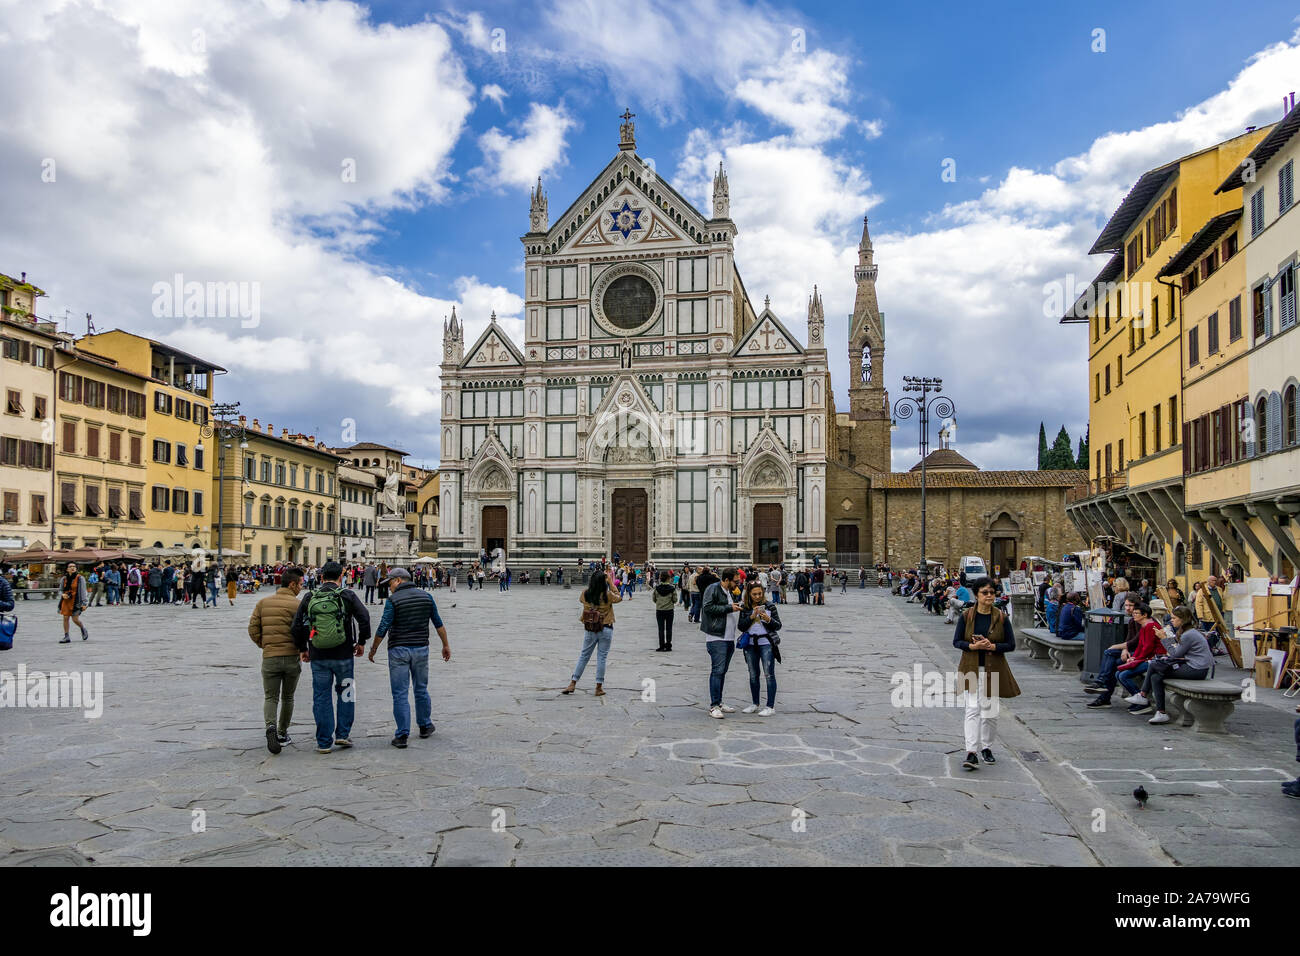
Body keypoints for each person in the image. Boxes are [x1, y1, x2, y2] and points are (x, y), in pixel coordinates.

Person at [292, 561, 371, 754]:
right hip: (344, 655)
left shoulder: (310, 596)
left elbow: (297, 626)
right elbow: (364, 617)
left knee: (321, 697)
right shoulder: (347, 595)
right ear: (341, 576)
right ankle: (343, 734)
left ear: (321, 577)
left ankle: (324, 741)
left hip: (318, 655)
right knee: (346, 693)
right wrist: (361, 642)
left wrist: (303, 648)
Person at [369, 568, 450, 748]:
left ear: (398, 580)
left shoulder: (393, 600)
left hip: (398, 650)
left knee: (400, 693)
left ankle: (402, 735)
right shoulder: (426, 597)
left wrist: (373, 649)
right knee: (421, 689)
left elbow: (383, 627)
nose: (389, 588)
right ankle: (425, 725)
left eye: (390, 583)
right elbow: (438, 623)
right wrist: (445, 645)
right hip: (421, 649)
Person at [952, 577, 1019, 770]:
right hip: (971, 668)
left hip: (994, 669)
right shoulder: (967, 616)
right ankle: (971, 752)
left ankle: (987, 747)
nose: (989, 595)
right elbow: (957, 642)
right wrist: (973, 646)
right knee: (972, 709)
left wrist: (993, 646)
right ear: (977, 595)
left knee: (990, 713)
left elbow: (1011, 644)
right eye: (985, 592)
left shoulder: (1001, 617)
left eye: (992, 592)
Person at [247, 566, 305, 754]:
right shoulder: (298, 605)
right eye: (300, 585)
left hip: (270, 657)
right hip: (291, 657)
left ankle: (270, 727)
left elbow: (253, 629)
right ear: (292, 584)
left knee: (270, 697)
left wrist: (264, 644)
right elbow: (304, 630)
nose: (301, 589)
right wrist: (301, 648)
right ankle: (282, 733)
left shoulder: (263, 603)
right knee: (288, 697)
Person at [1125, 605, 1213, 723]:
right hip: (1192, 666)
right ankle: (1160, 712)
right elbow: (1177, 649)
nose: (1171, 620)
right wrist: (1166, 638)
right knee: (1156, 677)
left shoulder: (1188, 634)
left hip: (1196, 669)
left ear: (1182, 619)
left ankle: (1143, 694)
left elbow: (1174, 654)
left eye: (1174, 618)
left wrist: (1163, 638)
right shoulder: (1187, 632)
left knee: (1154, 664)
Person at [564, 571, 621, 696]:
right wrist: (611, 582)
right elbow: (619, 597)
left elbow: (581, 600)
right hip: (606, 628)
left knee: (584, 656)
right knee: (602, 658)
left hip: (590, 628)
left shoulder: (585, 593)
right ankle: (598, 687)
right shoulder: (608, 595)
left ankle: (572, 683)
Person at [700, 568, 741, 719]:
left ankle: (720, 702)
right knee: (717, 671)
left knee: (722, 671)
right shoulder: (713, 588)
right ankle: (714, 706)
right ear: (727, 579)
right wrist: (730, 607)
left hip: (728, 637)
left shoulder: (727, 591)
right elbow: (708, 607)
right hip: (716, 637)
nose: (738, 583)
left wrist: (733, 606)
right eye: (735, 581)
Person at [738, 581, 782, 716]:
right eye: (754, 594)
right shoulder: (745, 607)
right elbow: (741, 626)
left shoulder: (770, 606)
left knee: (769, 674)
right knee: (753, 674)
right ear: (749, 595)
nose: (757, 596)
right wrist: (751, 616)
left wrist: (768, 619)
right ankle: (755, 703)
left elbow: (778, 625)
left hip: (766, 643)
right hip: (750, 644)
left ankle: (770, 706)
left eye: (759, 594)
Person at [1114, 602, 1164, 710]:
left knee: (1123, 675)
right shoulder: (1144, 626)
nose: (1134, 615)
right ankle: (1138, 698)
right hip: (1144, 658)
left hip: (1152, 660)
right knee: (1118, 674)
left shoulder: (1151, 626)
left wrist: (1136, 658)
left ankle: (1142, 700)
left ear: (1144, 615)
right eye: (1134, 613)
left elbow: (1148, 648)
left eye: (1136, 613)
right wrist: (1134, 657)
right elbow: (1140, 646)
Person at [57, 562, 89, 643]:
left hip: (76, 601)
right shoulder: (64, 579)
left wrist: (85, 603)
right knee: (65, 618)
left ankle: (82, 628)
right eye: (70, 566)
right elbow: (60, 590)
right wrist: (62, 594)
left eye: (74, 566)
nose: (72, 568)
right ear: (67, 569)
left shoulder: (80, 578)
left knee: (75, 619)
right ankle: (66, 636)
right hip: (66, 601)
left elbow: (83, 591)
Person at [653, 570, 676, 652]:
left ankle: (661, 645)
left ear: (660, 578)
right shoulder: (672, 588)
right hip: (669, 610)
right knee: (669, 628)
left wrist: (660, 603)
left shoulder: (657, 588)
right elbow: (675, 600)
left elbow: (654, 599)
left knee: (661, 628)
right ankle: (668, 645)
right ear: (668, 578)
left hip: (659, 610)